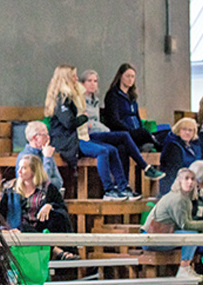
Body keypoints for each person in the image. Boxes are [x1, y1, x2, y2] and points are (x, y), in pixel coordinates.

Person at [45, 65, 138, 201]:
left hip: (80, 138)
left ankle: (123, 187)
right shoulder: (61, 99)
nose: (76, 79)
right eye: (74, 76)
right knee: (102, 151)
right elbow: (69, 123)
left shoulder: (73, 96)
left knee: (112, 150)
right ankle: (109, 190)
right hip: (68, 142)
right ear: (66, 79)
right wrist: (84, 117)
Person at [80, 69, 165, 181]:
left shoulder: (95, 100)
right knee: (126, 135)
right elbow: (88, 123)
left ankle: (123, 185)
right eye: (89, 81)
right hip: (89, 136)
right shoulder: (80, 100)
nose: (93, 84)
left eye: (95, 81)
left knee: (122, 147)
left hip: (101, 132)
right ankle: (146, 167)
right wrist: (105, 129)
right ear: (82, 84)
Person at [0, 155, 79, 260]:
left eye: (24, 168)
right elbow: (1, 214)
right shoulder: (10, 189)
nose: (19, 171)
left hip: (41, 228)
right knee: (24, 228)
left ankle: (60, 250)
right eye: (19, 167)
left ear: (34, 170)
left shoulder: (48, 188)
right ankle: (57, 250)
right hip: (18, 229)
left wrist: (50, 205)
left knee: (56, 217)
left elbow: (62, 208)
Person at [140, 167, 203, 280]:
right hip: (152, 238)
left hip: (163, 234)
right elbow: (186, 225)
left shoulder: (184, 198)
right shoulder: (178, 199)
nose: (190, 182)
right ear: (179, 181)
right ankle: (184, 269)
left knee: (193, 236)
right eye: (186, 179)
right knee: (192, 236)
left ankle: (187, 268)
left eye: (192, 179)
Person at [103, 63, 162, 151]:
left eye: (132, 77)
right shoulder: (113, 95)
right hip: (124, 131)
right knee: (144, 134)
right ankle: (155, 145)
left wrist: (139, 128)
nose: (130, 79)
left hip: (137, 130)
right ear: (120, 76)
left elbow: (137, 116)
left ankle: (151, 143)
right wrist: (130, 130)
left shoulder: (132, 96)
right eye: (127, 76)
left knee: (164, 132)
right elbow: (114, 120)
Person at [15, 121, 63, 190]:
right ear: (35, 138)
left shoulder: (45, 152)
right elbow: (39, 185)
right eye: (45, 134)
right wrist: (47, 158)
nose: (48, 138)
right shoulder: (25, 157)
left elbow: (59, 182)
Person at [159, 117, 201, 195]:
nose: (187, 132)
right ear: (178, 130)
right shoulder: (173, 146)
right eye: (184, 129)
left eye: (190, 130)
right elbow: (175, 171)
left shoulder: (193, 147)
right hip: (174, 187)